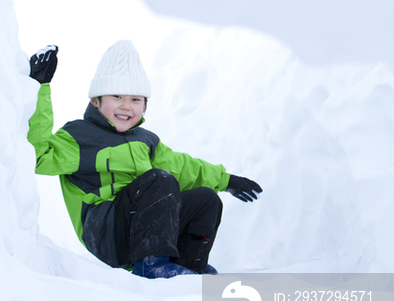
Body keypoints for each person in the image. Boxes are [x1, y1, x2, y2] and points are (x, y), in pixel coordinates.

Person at [27, 40, 262, 279]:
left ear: (145, 105)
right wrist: (38, 87)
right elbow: (39, 156)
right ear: (95, 101)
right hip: (105, 233)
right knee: (158, 179)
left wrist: (227, 180)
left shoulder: (145, 140)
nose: (126, 106)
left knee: (206, 199)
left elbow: (183, 167)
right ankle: (152, 265)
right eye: (116, 96)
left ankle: (190, 265)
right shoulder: (79, 137)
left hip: (141, 229)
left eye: (136, 99)